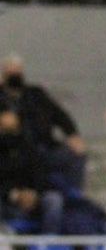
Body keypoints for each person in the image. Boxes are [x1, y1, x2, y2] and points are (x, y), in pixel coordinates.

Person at [0, 54, 86, 192]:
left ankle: (74, 196)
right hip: (13, 151)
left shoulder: (36, 94)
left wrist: (72, 134)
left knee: (75, 155)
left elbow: (59, 115)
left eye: (17, 70)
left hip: (44, 145)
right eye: (11, 70)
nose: (15, 74)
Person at [0, 109, 64, 234]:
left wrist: (32, 193)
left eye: (13, 129)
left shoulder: (29, 149)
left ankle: (47, 244)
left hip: (32, 198)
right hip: (6, 200)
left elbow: (40, 175)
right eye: (5, 129)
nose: (10, 134)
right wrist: (15, 194)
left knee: (54, 200)